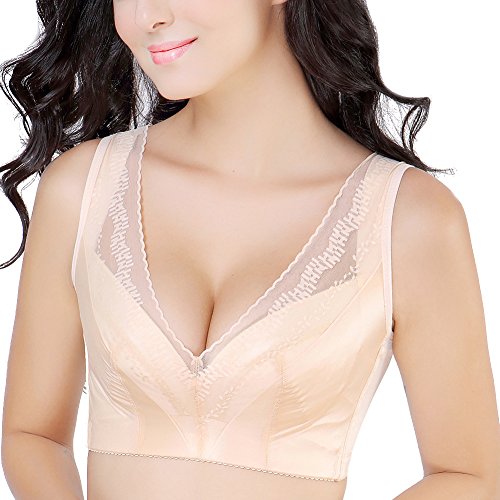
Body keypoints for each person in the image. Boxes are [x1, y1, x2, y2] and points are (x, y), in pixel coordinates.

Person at [1, 0, 499, 499]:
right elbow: (32, 435)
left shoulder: (408, 218)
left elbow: (470, 476)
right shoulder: (84, 187)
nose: (146, 16)